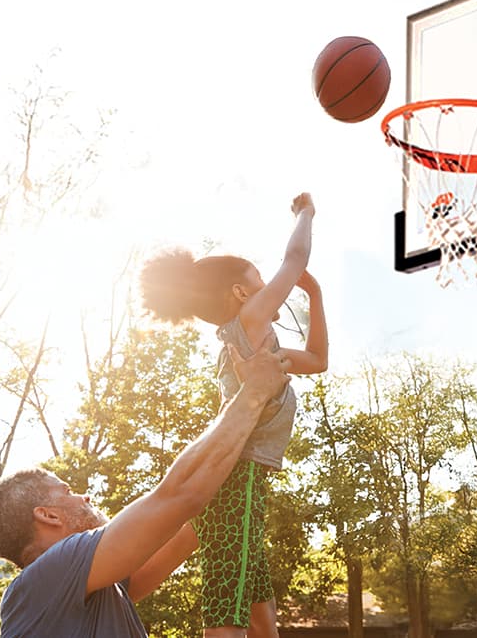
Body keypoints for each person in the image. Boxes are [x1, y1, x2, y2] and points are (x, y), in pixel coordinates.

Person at [0, 341, 293, 637]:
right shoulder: (45, 579)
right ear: (48, 515)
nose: (83, 496)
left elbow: (195, 526)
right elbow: (179, 496)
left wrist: (236, 406)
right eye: (67, 491)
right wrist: (253, 392)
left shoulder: (98, 588)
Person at [135, 192, 328, 637]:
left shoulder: (261, 345)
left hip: (241, 478)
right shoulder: (249, 324)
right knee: (227, 597)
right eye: (262, 279)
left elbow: (317, 360)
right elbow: (296, 256)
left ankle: (120, 587)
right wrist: (305, 212)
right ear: (241, 293)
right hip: (235, 478)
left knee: (258, 605)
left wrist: (315, 295)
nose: (272, 285)